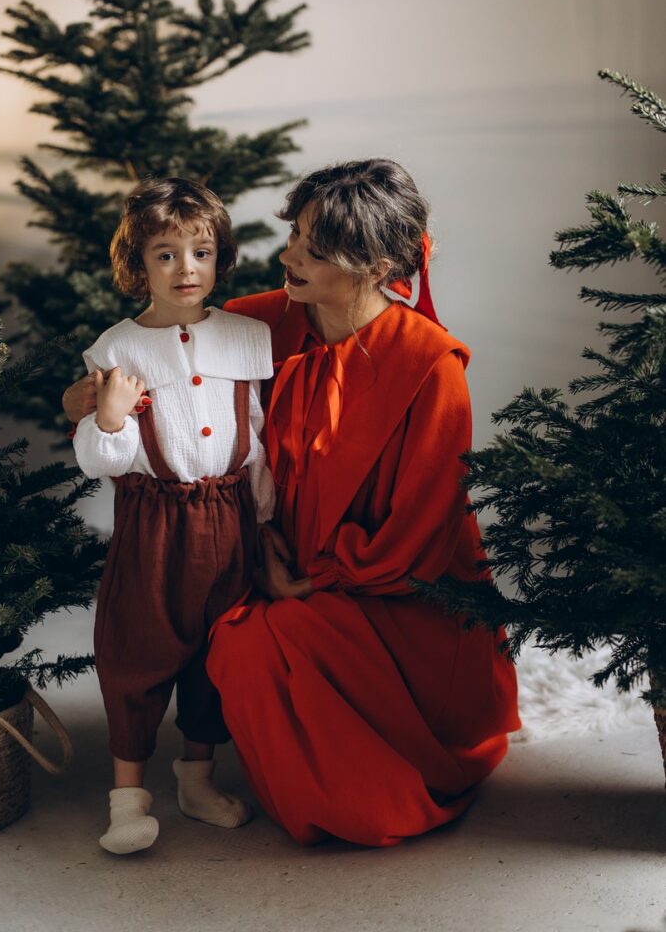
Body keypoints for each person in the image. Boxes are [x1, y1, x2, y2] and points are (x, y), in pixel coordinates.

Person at [65, 159, 519, 850]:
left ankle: (372, 756)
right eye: (294, 235)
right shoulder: (259, 324)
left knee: (362, 802)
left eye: (313, 248)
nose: (289, 256)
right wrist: (86, 399)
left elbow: (422, 532)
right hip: (277, 565)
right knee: (232, 642)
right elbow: (149, 357)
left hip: (393, 591)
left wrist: (304, 578)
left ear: (374, 267)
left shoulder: (431, 365)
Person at [69, 177, 275, 855]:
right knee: (137, 650)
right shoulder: (117, 349)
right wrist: (108, 416)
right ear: (139, 264)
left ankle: (197, 779)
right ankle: (127, 800)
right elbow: (101, 460)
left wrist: (265, 519)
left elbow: (258, 439)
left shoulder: (247, 337)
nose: (186, 268)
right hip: (155, 524)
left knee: (217, 653)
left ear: (219, 259)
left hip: (231, 519)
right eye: (166, 254)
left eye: (201, 252)